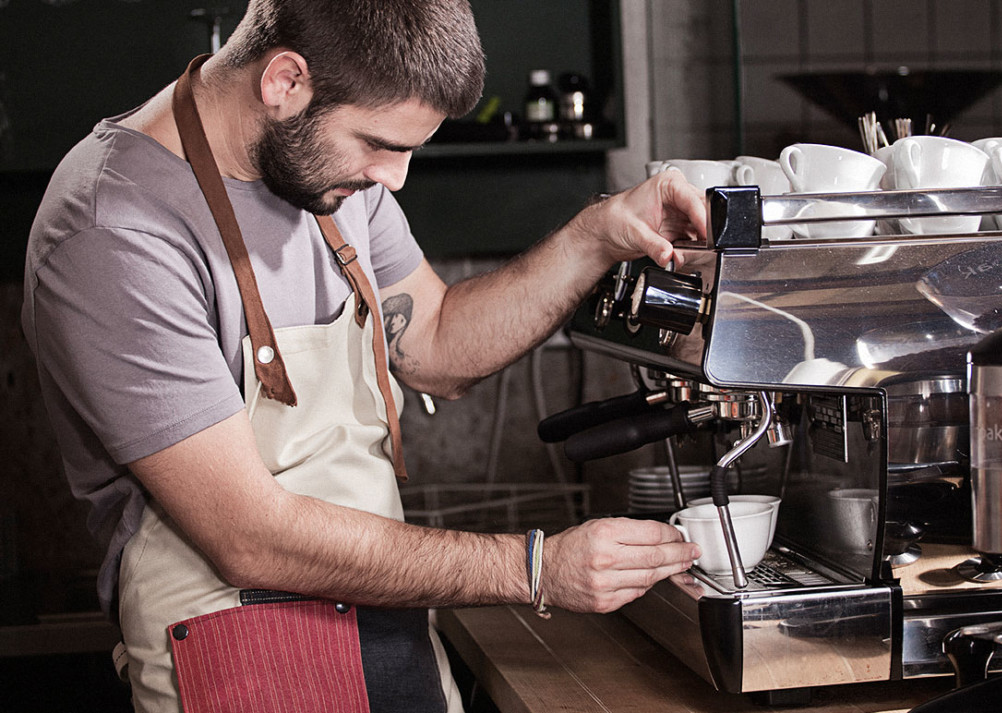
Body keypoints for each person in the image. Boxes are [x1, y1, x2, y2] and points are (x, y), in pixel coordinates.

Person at [20, 1, 708, 711]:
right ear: (285, 82)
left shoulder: (324, 174)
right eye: (379, 143)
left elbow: (435, 342)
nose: (396, 178)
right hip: (238, 650)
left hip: (384, 613)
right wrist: (534, 568)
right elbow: (247, 538)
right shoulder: (115, 231)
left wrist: (596, 237)